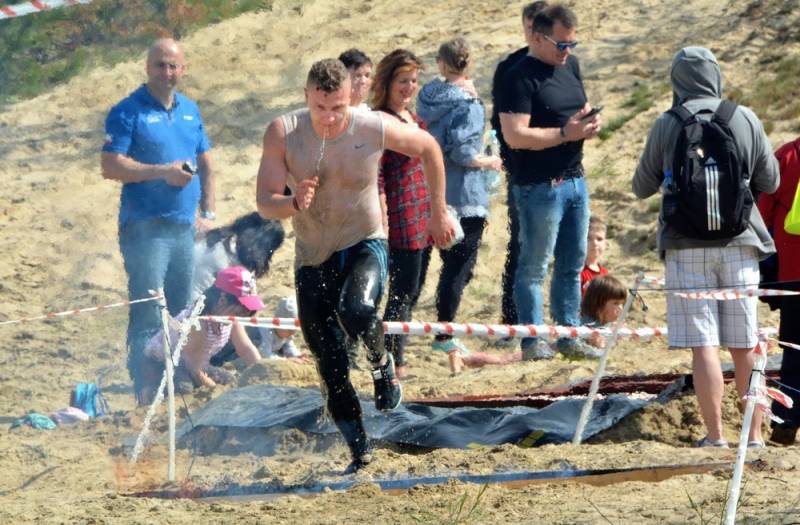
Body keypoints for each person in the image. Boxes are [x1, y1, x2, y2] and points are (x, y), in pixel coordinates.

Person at [255, 59, 455, 473]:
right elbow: (264, 202)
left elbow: (429, 149)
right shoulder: (284, 131)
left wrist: (438, 211)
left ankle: (383, 367)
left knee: (357, 309)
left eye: (338, 108)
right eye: (320, 108)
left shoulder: (371, 126)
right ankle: (360, 452)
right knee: (329, 365)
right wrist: (292, 202)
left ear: (351, 98)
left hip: (365, 241)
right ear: (306, 97)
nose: (329, 118)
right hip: (313, 254)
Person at [632, 46, 779, 448]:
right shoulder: (743, 117)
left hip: (685, 246)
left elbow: (641, 186)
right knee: (745, 345)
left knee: (704, 346)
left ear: (676, 81)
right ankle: (753, 436)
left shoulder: (668, 123)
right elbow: (771, 181)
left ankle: (715, 436)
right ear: (716, 75)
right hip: (740, 242)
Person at [101, 38, 217, 405]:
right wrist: (162, 171)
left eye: (173, 65)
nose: (166, 72)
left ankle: (176, 375)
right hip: (144, 229)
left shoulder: (190, 110)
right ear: (148, 67)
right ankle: (145, 385)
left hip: (184, 227)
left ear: (183, 69)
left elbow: (207, 164)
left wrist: (208, 213)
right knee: (149, 309)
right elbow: (110, 165)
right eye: (160, 65)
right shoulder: (127, 111)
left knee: (182, 309)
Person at [498, 4, 601, 361]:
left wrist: (589, 123)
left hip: (575, 179)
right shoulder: (517, 77)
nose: (567, 51)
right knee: (534, 265)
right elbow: (514, 135)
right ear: (538, 38)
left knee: (572, 262)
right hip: (538, 185)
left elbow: (580, 106)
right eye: (561, 44)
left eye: (572, 43)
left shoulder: (570, 65)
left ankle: (570, 335)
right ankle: (533, 340)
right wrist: (564, 133)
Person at [417, 38, 502, 370]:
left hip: (427, 191)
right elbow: (463, 153)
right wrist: (489, 161)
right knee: (459, 268)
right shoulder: (470, 104)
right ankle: (444, 332)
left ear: (441, 63)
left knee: (434, 268)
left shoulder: (426, 97)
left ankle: (433, 331)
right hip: (464, 195)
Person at [372, 49, 433, 379]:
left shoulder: (412, 117)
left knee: (413, 289)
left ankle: (397, 354)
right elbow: (377, 174)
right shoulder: (380, 120)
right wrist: (382, 215)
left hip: (422, 213)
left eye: (413, 80)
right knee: (400, 292)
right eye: (403, 80)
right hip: (398, 215)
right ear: (387, 82)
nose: (409, 87)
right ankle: (393, 360)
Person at [491, 1, 549, 334]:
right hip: (522, 172)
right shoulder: (510, 67)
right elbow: (498, 122)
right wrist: (512, 161)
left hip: (559, 171)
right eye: (529, 27)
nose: (533, 33)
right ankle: (513, 318)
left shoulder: (561, 65)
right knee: (522, 246)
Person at [138, 266, 264, 405]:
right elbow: (194, 369)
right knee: (184, 388)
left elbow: (246, 349)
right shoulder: (199, 323)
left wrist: (262, 372)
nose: (244, 315)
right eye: (240, 311)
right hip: (161, 363)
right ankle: (149, 391)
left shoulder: (230, 318)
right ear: (222, 299)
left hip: (196, 362)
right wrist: (216, 391)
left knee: (228, 380)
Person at [192, 212, 285, 367]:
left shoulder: (217, 239)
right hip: (197, 323)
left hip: (180, 313)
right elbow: (236, 313)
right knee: (259, 335)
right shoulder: (235, 263)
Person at [758, 138, 800, 445]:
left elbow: (763, 213)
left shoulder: (786, 156)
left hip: (793, 268)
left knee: (795, 349)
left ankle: (786, 421)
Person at [256, 296, 309, 363]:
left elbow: (289, 346)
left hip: (272, 350)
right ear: (277, 324)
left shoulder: (286, 334)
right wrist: (286, 360)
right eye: (289, 329)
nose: (292, 333)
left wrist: (296, 355)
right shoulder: (266, 332)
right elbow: (265, 355)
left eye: (295, 329)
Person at [581, 215, 609, 295]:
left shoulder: (605, 273)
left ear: (605, 244)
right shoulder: (576, 272)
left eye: (599, 239)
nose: (595, 243)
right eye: (588, 238)